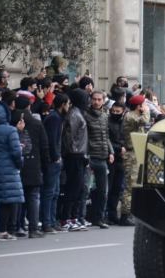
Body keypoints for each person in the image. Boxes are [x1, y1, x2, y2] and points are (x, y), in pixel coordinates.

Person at [15, 98, 50, 238]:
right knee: (33, 196)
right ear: (29, 106)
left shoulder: (10, 121)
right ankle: (33, 228)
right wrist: (46, 165)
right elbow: (44, 146)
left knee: (17, 198)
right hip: (34, 164)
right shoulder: (36, 123)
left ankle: (16, 226)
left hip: (16, 164)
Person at [84, 90, 114, 228]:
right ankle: (82, 217)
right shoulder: (85, 115)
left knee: (103, 191)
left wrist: (111, 152)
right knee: (86, 189)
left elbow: (106, 136)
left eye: (99, 99)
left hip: (102, 157)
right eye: (94, 99)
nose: (96, 102)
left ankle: (99, 218)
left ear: (103, 101)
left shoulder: (105, 116)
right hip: (90, 156)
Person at [61, 88, 90, 231]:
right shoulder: (74, 115)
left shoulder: (78, 113)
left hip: (79, 155)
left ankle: (73, 217)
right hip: (74, 156)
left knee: (78, 188)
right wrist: (74, 152)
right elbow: (69, 137)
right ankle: (66, 218)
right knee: (73, 188)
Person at [0, 100, 24, 241]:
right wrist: (20, 164)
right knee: (7, 201)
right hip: (7, 170)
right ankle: (3, 231)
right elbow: (16, 153)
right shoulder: (10, 130)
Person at [120, 95, 149, 226]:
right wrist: (147, 111)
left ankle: (133, 213)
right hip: (131, 154)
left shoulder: (134, 115)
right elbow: (144, 121)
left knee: (137, 185)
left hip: (137, 152)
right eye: (143, 104)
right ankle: (126, 214)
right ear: (139, 106)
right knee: (131, 186)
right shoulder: (130, 116)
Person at [41, 93, 69, 233]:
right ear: (63, 104)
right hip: (53, 161)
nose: (69, 107)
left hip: (56, 160)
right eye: (68, 104)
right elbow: (51, 140)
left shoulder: (58, 117)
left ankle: (52, 221)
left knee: (55, 192)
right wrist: (56, 156)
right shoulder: (54, 118)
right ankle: (47, 222)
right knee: (49, 192)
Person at [106, 102, 126, 224]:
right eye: (113, 111)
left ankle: (112, 214)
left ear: (123, 112)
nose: (115, 113)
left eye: (118, 112)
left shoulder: (124, 123)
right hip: (111, 157)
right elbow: (106, 139)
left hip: (121, 158)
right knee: (109, 187)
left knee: (117, 188)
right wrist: (119, 148)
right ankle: (105, 214)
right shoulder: (108, 122)